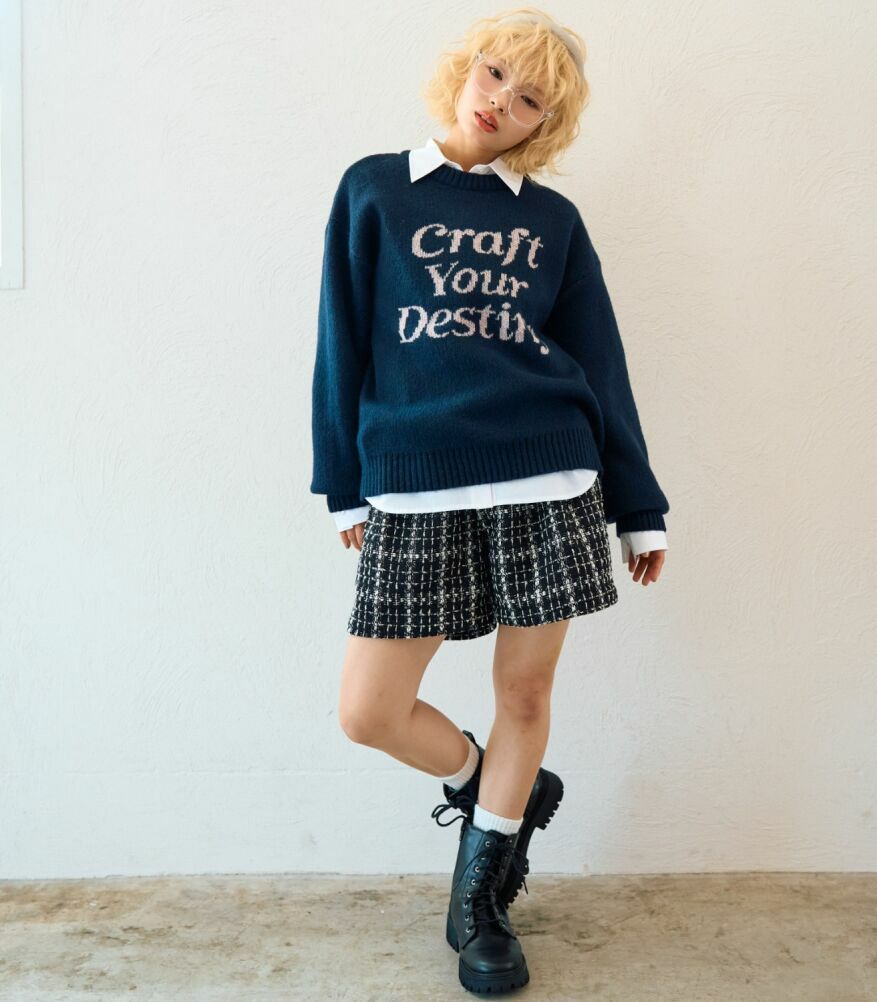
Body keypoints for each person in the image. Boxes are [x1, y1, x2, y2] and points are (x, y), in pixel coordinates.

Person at [310, 6, 669, 994]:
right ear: (466, 69)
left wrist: (638, 504)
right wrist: (341, 483)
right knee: (368, 711)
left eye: (530, 98)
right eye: (495, 73)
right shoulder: (375, 189)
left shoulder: (552, 223)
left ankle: (481, 902)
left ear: (546, 124)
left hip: (547, 477)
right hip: (415, 480)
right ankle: (491, 789)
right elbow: (341, 341)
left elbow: (601, 363)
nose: (501, 100)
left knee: (526, 695)